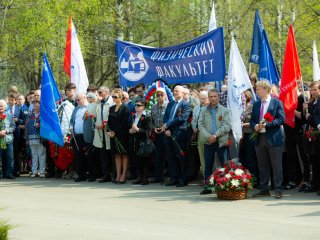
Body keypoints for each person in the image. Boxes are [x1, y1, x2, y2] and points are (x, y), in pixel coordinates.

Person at [250, 80, 285, 199]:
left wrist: (267, 124)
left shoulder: (276, 103)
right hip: (259, 138)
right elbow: (252, 120)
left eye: (258, 89)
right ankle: (264, 188)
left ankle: (278, 188)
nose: (257, 91)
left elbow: (281, 119)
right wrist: (254, 126)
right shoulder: (256, 104)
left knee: (276, 165)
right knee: (262, 165)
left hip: (273, 138)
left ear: (265, 89)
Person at [198, 89, 231, 195]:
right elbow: (200, 125)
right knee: (207, 165)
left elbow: (226, 126)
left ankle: (227, 186)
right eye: (211, 96)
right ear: (208, 98)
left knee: (224, 165)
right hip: (208, 141)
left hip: (221, 141)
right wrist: (209, 136)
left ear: (218, 97)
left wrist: (215, 135)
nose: (213, 98)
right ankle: (208, 187)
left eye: (215, 96)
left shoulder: (224, 110)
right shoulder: (203, 110)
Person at [162, 85, 191, 187]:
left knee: (182, 157)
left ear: (183, 93)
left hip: (179, 134)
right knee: (170, 157)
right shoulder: (171, 104)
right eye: (174, 91)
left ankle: (184, 179)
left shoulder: (186, 104)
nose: (175, 92)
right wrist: (167, 128)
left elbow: (182, 118)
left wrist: (168, 125)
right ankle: (174, 178)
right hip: (168, 133)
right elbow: (166, 117)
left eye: (177, 91)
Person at [70, 93, 94, 182]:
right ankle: (81, 174)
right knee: (78, 156)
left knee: (89, 156)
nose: (77, 101)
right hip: (77, 135)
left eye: (79, 99)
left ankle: (91, 174)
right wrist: (71, 126)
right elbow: (72, 121)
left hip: (86, 135)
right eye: (76, 100)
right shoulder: (76, 109)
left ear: (84, 98)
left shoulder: (90, 107)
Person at [107, 91, 130, 184]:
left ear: (121, 98)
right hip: (113, 135)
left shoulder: (125, 108)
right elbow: (109, 121)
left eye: (116, 97)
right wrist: (109, 131)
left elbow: (124, 122)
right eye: (113, 97)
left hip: (122, 134)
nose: (114, 99)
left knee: (124, 154)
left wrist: (115, 132)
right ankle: (118, 174)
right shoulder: (111, 108)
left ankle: (124, 174)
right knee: (116, 154)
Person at [92, 86, 113, 183]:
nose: (99, 94)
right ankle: (106, 174)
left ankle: (114, 174)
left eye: (100, 92)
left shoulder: (111, 102)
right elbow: (92, 113)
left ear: (106, 92)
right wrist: (95, 102)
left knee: (112, 154)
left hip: (110, 131)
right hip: (100, 132)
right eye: (98, 92)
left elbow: (112, 116)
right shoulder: (99, 103)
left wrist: (105, 125)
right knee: (103, 154)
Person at [130, 99, 152, 185]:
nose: (136, 107)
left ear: (143, 107)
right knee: (136, 160)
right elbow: (130, 127)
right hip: (135, 141)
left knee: (144, 160)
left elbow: (148, 131)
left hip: (143, 142)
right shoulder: (133, 116)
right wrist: (130, 130)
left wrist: (138, 129)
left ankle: (145, 178)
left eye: (138, 105)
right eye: (135, 105)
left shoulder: (147, 117)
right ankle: (139, 177)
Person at [150, 87, 168, 183]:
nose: (160, 96)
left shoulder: (168, 105)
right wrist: (154, 128)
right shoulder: (153, 107)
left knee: (168, 155)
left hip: (166, 132)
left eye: (161, 94)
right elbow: (151, 120)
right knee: (158, 155)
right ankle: (158, 176)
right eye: (158, 95)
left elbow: (170, 119)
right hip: (157, 133)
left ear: (165, 95)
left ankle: (170, 176)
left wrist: (164, 128)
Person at [25, 101, 46, 178]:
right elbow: (26, 126)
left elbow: (46, 126)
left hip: (40, 138)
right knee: (34, 155)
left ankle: (42, 172)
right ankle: (34, 171)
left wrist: (40, 126)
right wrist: (26, 138)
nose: (36, 107)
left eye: (38, 106)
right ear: (33, 106)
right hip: (31, 138)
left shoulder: (43, 115)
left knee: (41, 155)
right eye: (35, 106)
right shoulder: (30, 115)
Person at [191, 91, 209, 179]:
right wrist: (194, 127)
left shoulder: (211, 108)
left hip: (210, 135)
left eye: (204, 98)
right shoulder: (196, 109)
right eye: (201, 98)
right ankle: (206, 178)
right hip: (199, 135)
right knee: (202, 157)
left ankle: (214, 177)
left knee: (211, 157)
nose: (202, 100)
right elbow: (193, 121)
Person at [0, 99, 15, 179]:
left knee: (10, 157)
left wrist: (6, 130)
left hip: (8, 140)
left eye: (2, 106)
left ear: (5, 107)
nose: (0, 107)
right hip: (0, 140)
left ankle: (9, 173)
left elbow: (13, 127)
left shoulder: (9, 115)